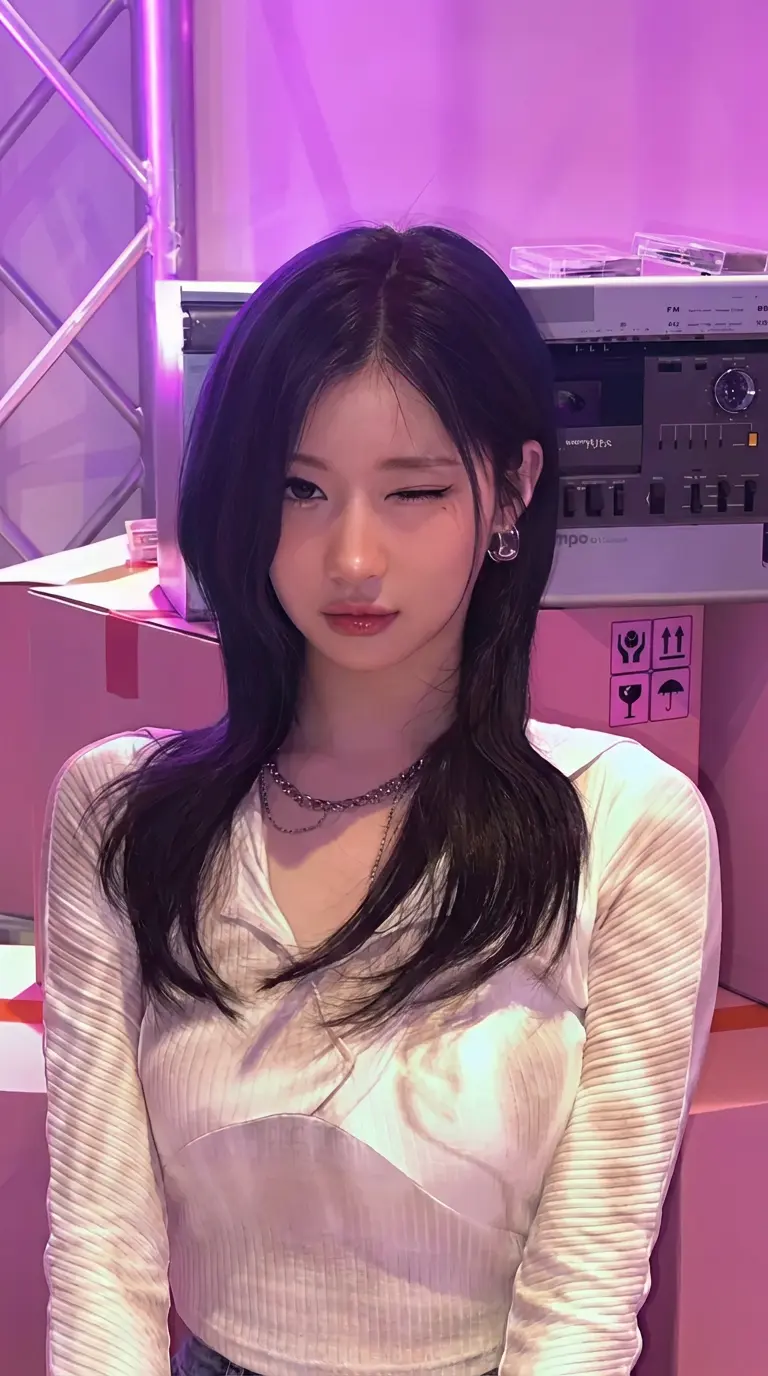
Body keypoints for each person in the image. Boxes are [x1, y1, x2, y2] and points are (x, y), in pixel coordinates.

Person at [42, 225, 721, 1376]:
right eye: (300, 489)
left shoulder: (627, 826)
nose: (352, 556)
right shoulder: (119, 812)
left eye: (412, 491)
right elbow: (101, 1254)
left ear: (511, 492)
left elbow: (587, 1290)